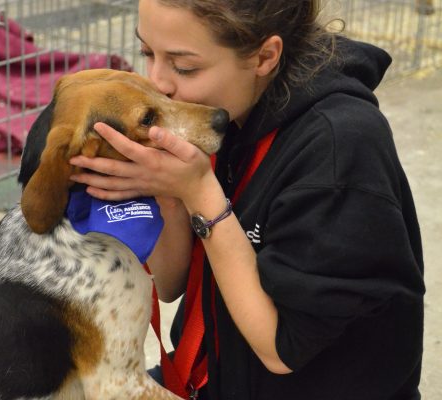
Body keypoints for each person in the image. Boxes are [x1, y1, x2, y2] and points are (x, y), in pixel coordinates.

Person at [69, 0, 425, 399]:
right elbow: (171, 284)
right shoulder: (229, 110)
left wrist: (200, 193)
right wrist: (166, 191)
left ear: (266, 56)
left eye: (184, 66)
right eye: (148, 53)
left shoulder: (340, 151)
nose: (158, 83)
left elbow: (282, 349)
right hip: (215, 375)